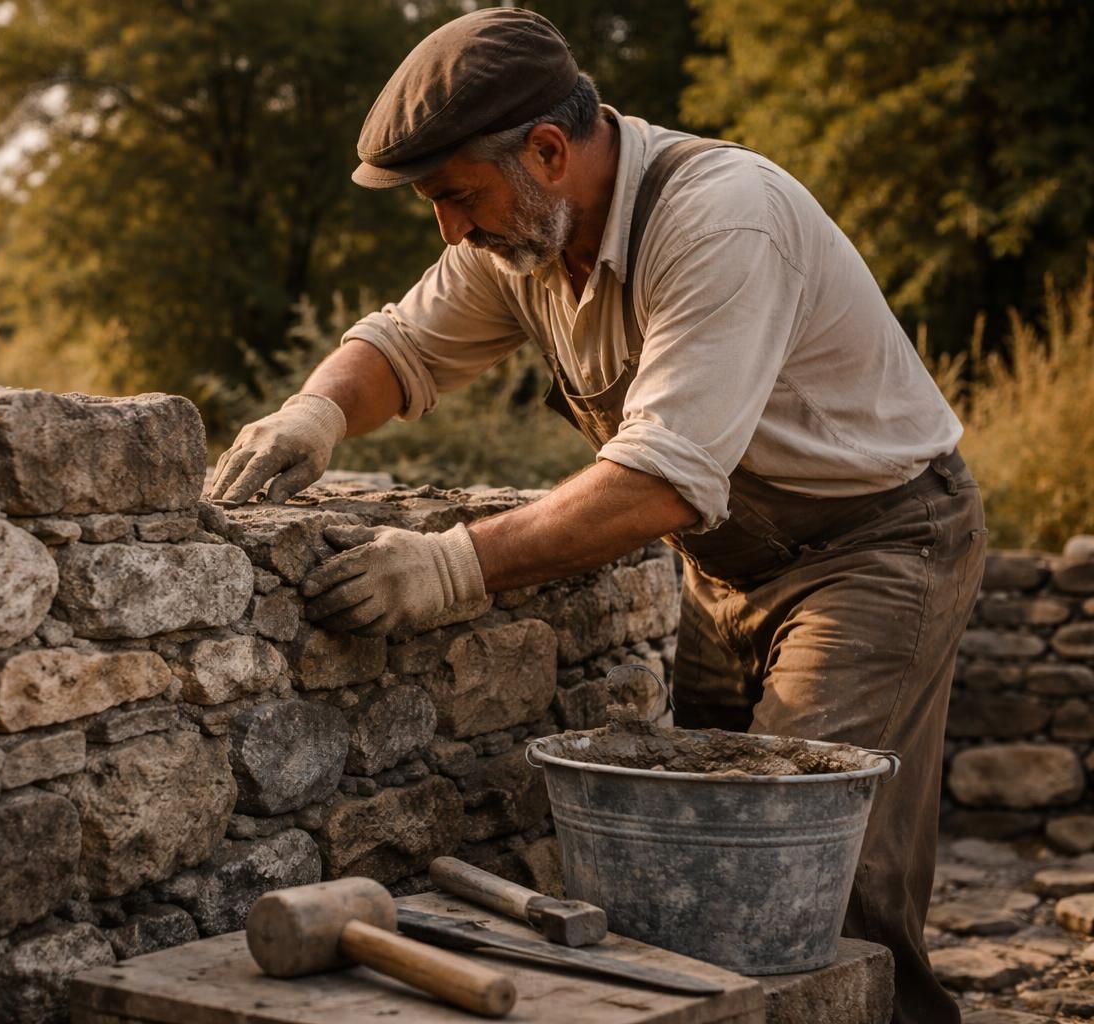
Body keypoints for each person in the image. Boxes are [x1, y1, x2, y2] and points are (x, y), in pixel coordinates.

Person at [204, 8, 985, 1022]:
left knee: (816, 877)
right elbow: (402, 347)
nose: (451, 230)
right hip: (724, 567)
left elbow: (661, 481)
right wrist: (313, 412)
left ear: (546, 150)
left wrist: (447, 567)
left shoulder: (722, 218)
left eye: (458, 197)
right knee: (699, 862)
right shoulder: (523, 239)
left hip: (875, 548)